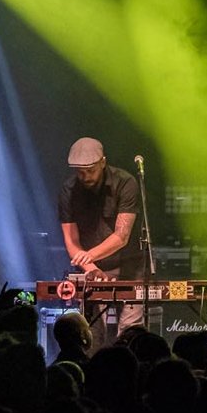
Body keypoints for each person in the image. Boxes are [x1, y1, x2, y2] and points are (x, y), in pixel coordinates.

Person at [57, 136, 142, 331]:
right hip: (91, 268)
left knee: (131, 329)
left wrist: (89, 254)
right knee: (92, 330)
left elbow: (122, 236)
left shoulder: (125, 183)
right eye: (80, 172)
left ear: (103, 162)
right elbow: (71, 241)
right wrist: (91, 267)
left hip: (129, 264)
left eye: (91, 171)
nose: (85, 177)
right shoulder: (68, 191)